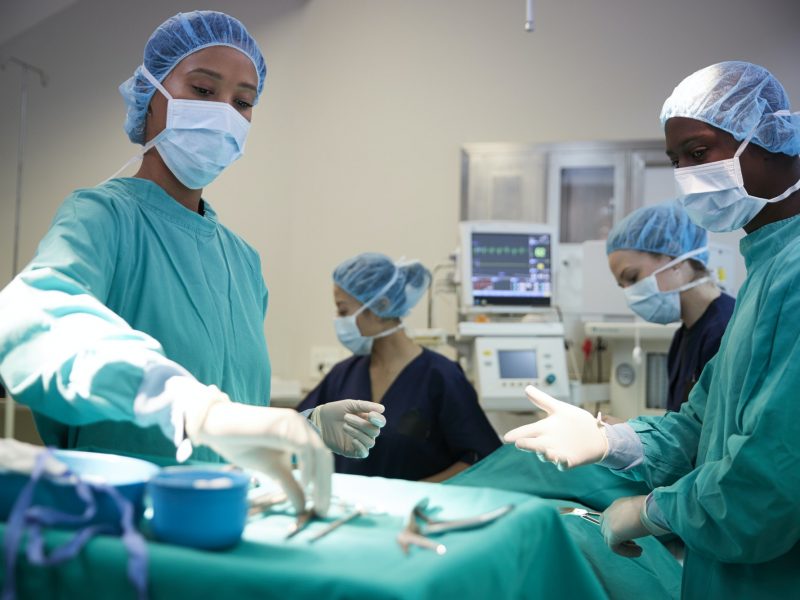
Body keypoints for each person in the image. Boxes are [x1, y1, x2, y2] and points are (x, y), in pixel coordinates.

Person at [0, 11, 384, 516]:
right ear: (151, 98)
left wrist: (302, 426)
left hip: (228, 522)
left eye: (243, 102)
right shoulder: (103, 217)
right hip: (126, 530)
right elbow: (31, 321)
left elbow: (228, 409)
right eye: (204, 90)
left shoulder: (242, 262)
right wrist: (187, 406)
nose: (225, 112)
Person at [505, 61, 800, 596]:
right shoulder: (767, 273)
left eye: (699, 152)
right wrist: (608, 440)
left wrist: (650, 511)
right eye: (676, 161)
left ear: (772, 140)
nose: (687, 175)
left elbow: (768, 487)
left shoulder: (794, 276)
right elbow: (697, 428)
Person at [297, 253, 501, 481]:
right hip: (349, 511)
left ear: (381, 306)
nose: (338, 319)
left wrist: (411, 494)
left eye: (343, 311)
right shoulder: (343, 375)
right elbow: (294, 429)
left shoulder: (441, 377)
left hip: (417, 513)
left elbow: (482, 459)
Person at [606, 201, 735, 413]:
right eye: (623, 286)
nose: (630, 293)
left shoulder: (726, 331)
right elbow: (681, 425)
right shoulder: (682, 338)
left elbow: (714, 435)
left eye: (632, 277)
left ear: (675, 259)